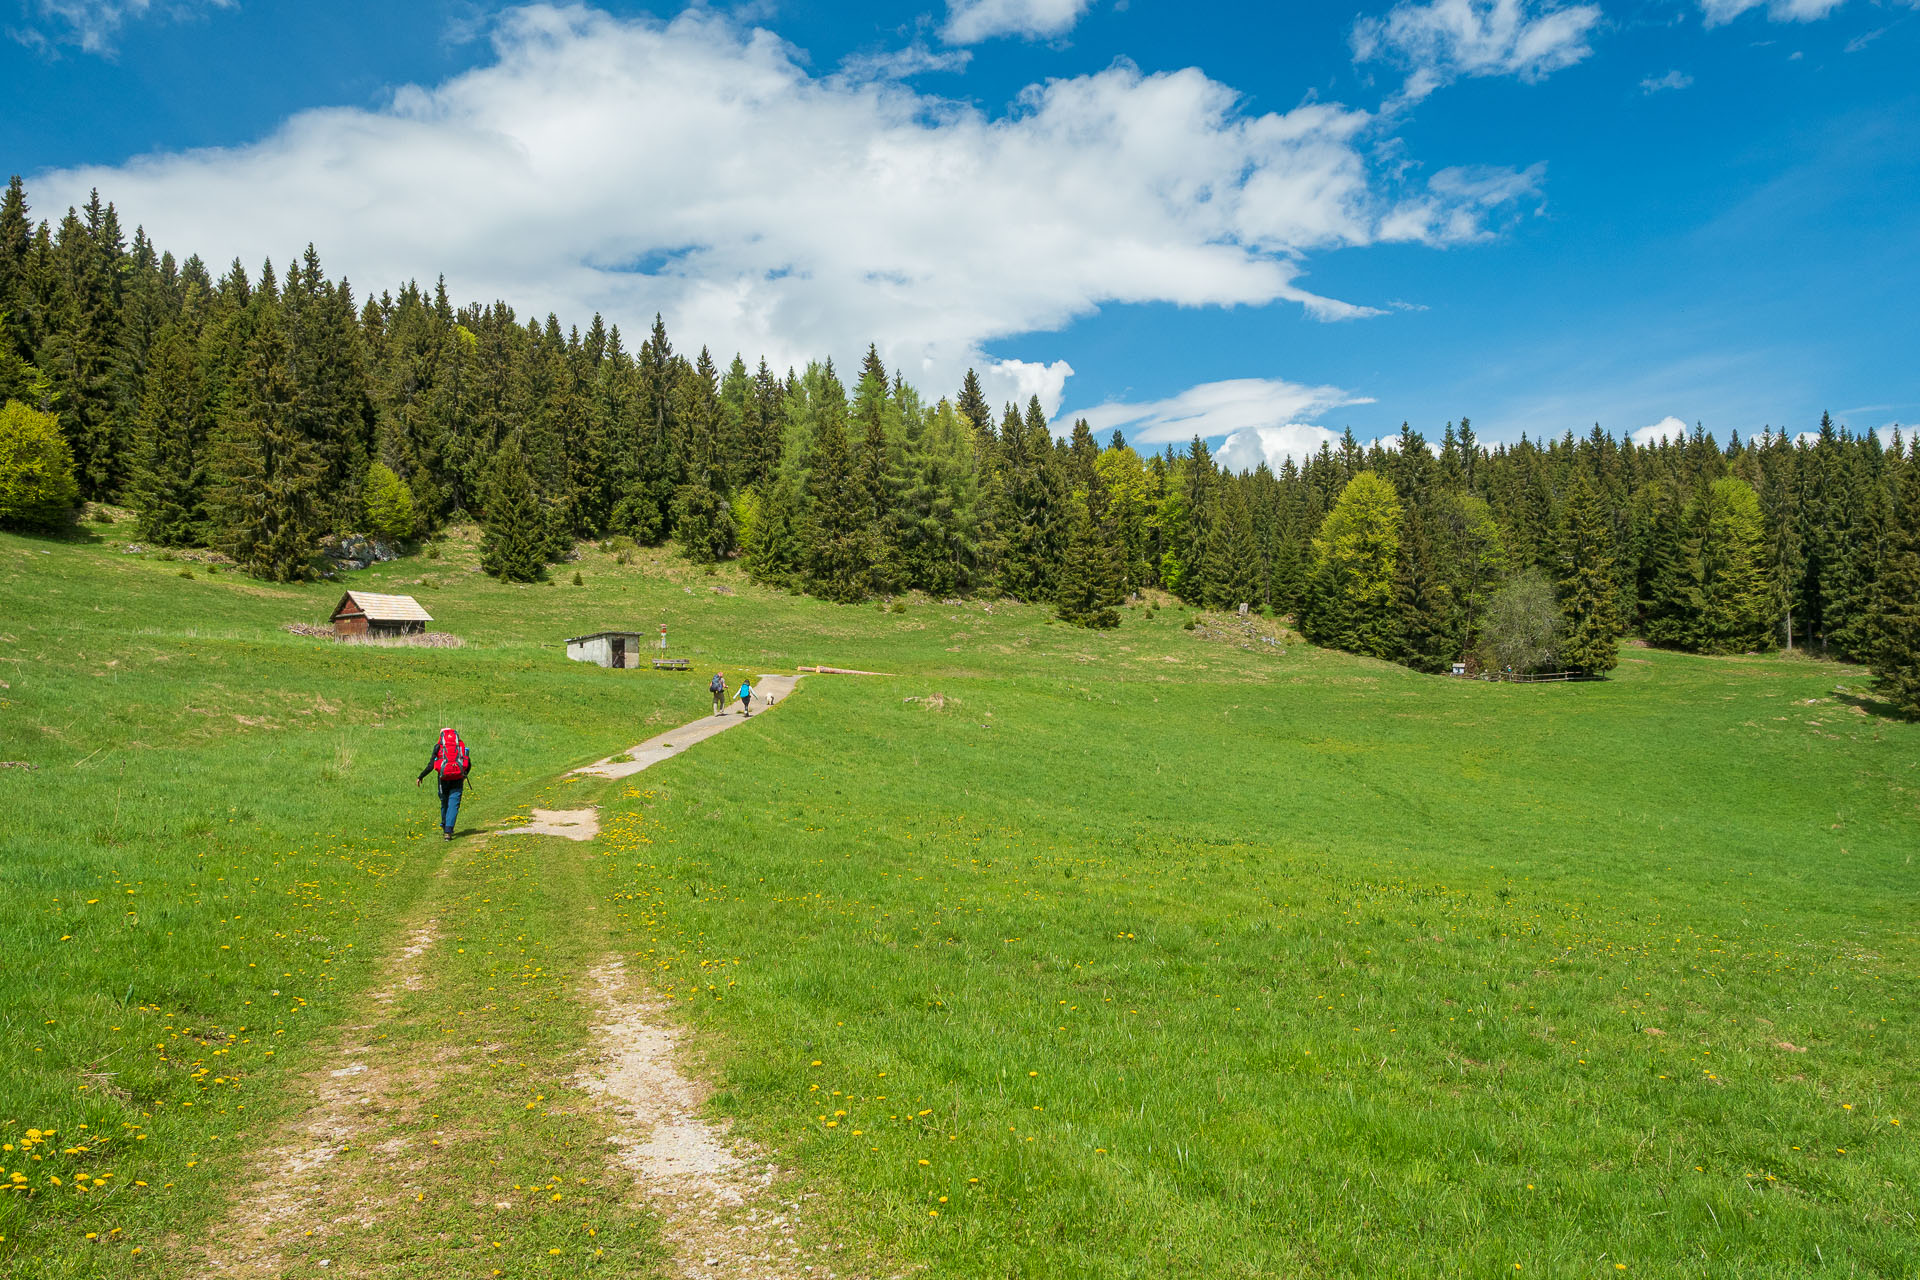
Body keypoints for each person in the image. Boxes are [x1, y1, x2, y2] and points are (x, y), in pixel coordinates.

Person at [416, 726, 471, 840]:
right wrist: (464, 775)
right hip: (457, 778)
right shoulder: (460, 746)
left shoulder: (439, 747)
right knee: (454, 804)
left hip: (443, 779)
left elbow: (431, 765)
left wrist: (421, 776)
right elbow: (467, 762)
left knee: (444, 802)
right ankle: (448, 831)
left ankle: (445, 824)